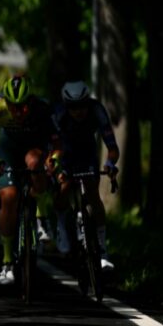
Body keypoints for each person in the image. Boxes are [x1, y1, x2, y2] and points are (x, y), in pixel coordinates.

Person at [0, 76, 61, 285]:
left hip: (33, 148)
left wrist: (54, 158)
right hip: (7, 152)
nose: (18, 112)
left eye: (23, 107)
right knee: (9, 197)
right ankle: (7, 261)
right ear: (5, 102)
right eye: (13, 107)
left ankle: (42, 220)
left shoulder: (43, 110)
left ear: (31, 102)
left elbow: (57, 142)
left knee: (35, 162)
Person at [53, 81, 119, 270]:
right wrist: (55, 166)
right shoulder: (59, 114)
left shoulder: (97, 109)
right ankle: (61, 227)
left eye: (82, 105)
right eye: (73, 107)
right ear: (66, 105)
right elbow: (52, 145)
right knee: (64, 188)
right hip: (65, 153)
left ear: (88, 102)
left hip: (87, 153)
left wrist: (109, 164)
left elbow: (112, 146)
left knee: (92, 193)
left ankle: (102, 250)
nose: (78, 111)